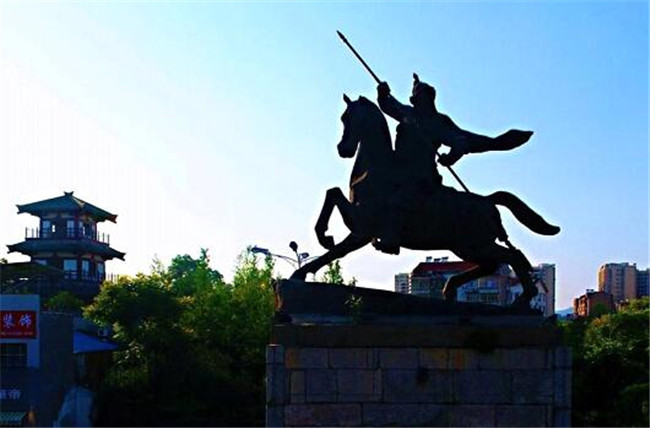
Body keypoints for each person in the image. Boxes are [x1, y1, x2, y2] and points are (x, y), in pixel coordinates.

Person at [372, 74, 532, 254]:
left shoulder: (438, 122)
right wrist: (382, 94)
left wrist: (450, 157)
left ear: (428, 98)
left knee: (401, 196)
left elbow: (459, 142)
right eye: (416, 97)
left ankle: (392, 239)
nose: (416, 100)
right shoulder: (408, 113)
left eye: (419, 96)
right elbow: (390, 105)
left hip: (421, 175)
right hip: (399, 169)